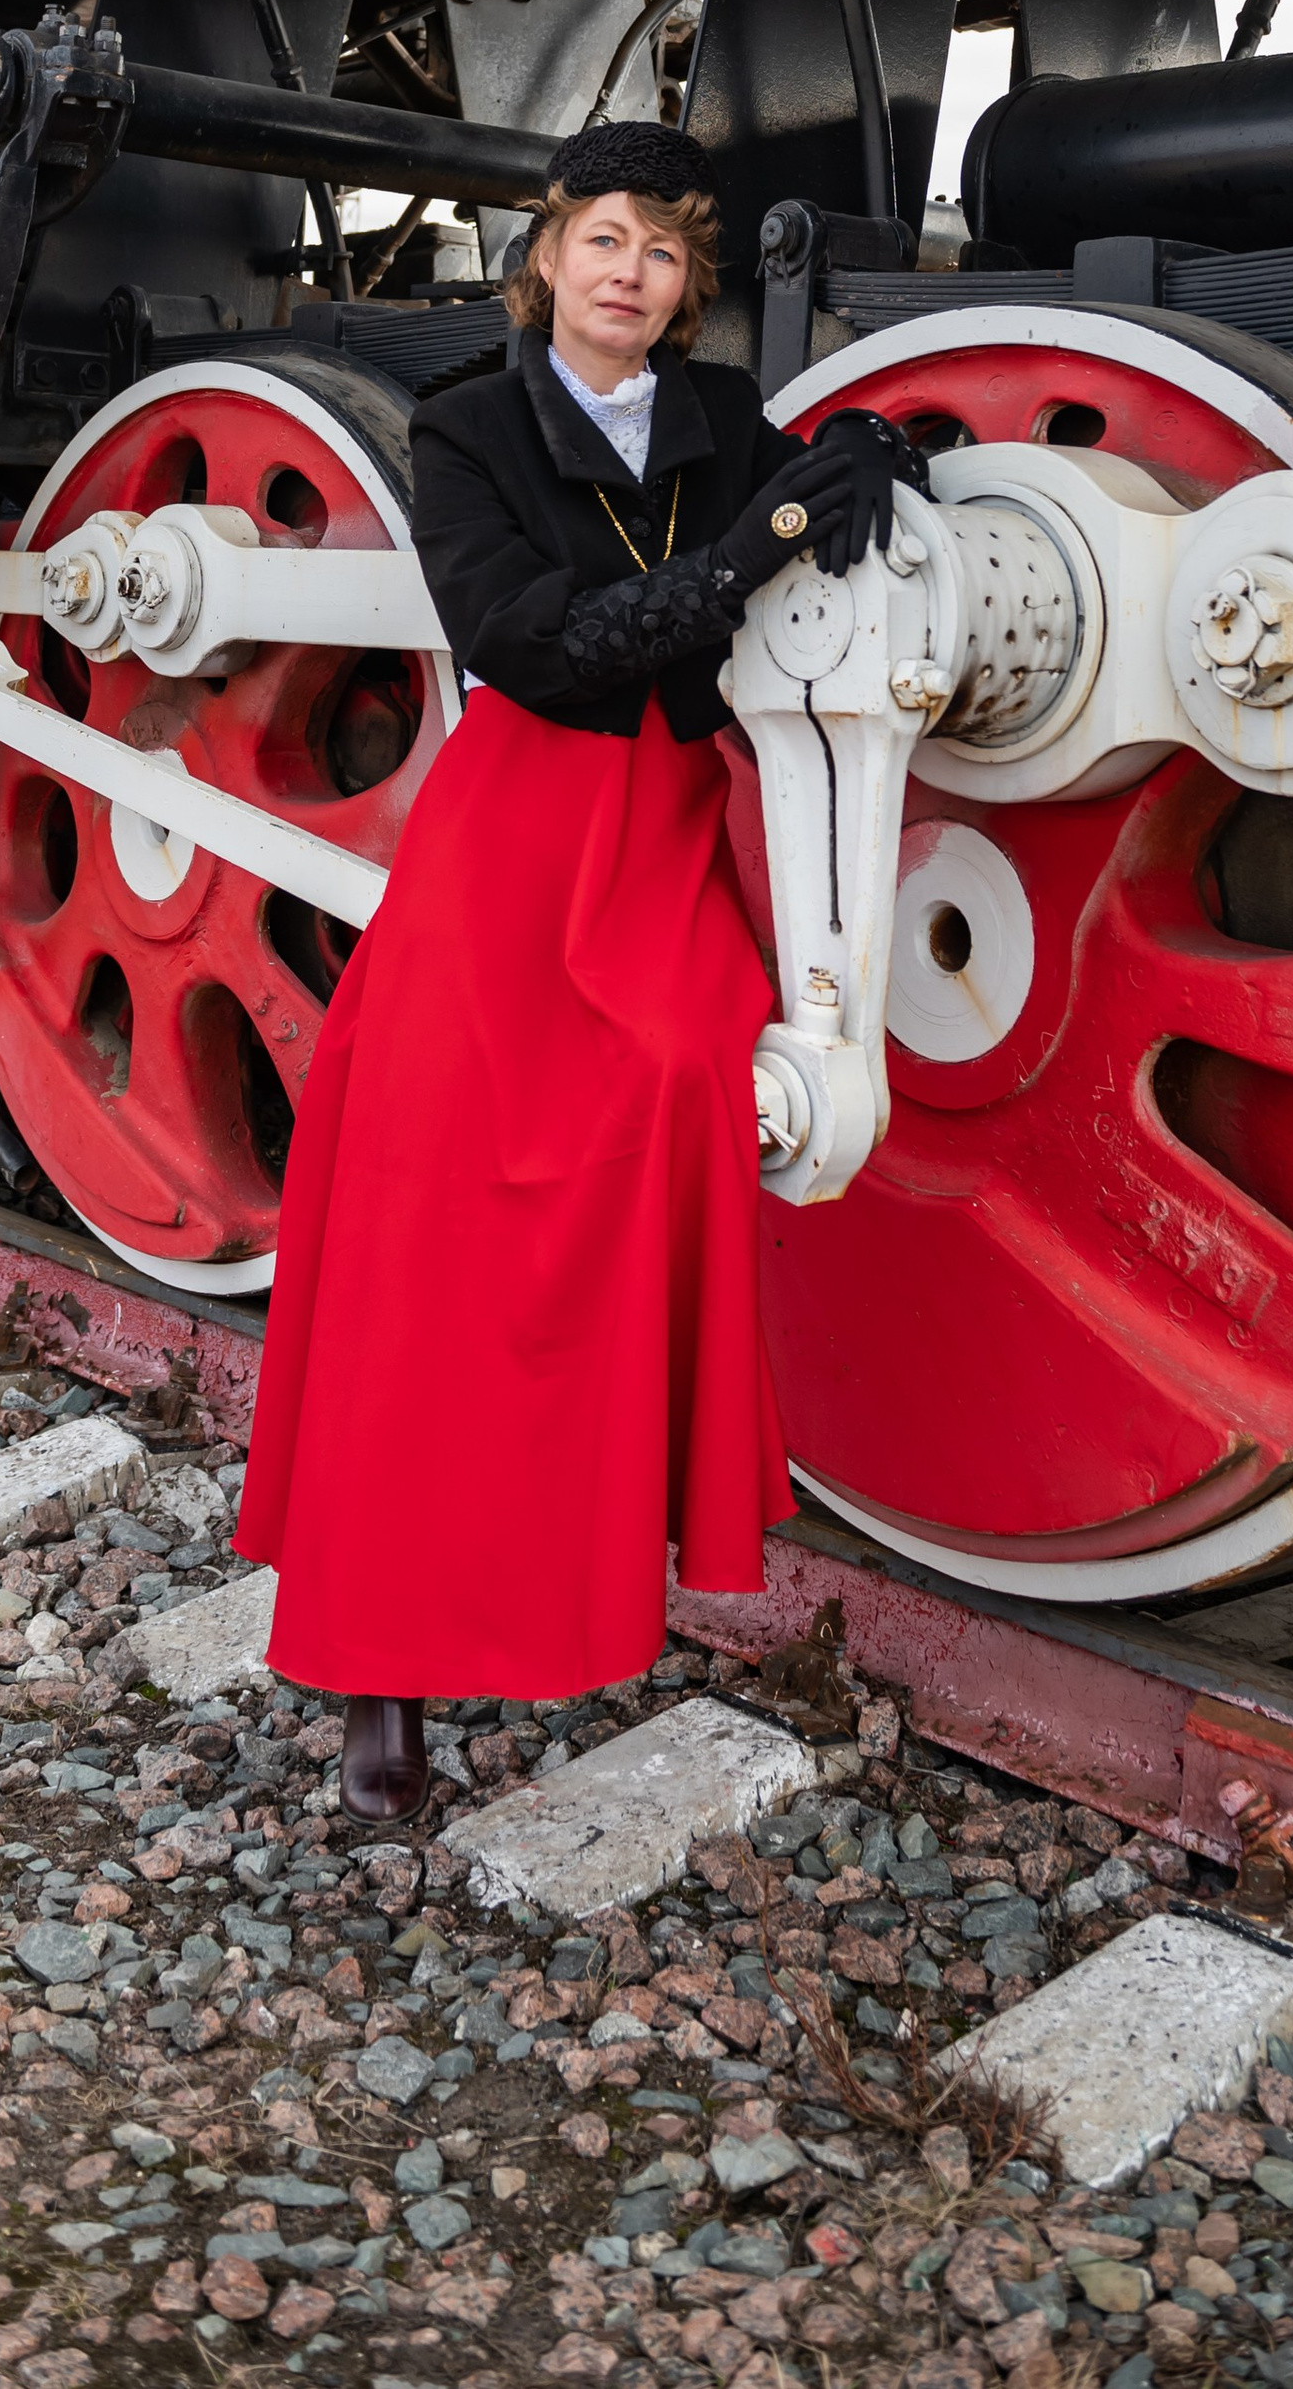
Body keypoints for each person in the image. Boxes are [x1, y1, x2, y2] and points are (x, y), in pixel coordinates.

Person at [233, 124, 912, 1817]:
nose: (630, 274)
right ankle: (370, 1672)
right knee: (433, 1223)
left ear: (687, 290)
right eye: (605, 239)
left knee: (685, 1091)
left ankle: (594, 1560)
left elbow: (811, 480)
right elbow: (530, 642)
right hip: (517, 840)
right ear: (548, 257)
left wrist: (877, 449)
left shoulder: (712, 424)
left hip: (671, 833)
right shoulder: (468, 426)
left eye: (665, 253)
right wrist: (754, 548)